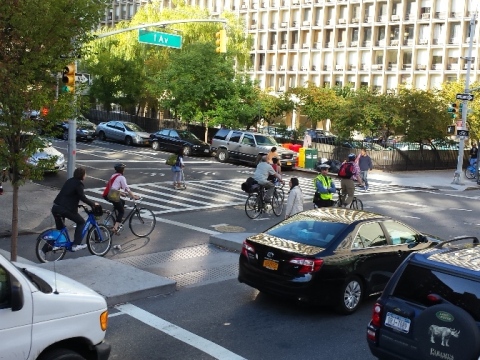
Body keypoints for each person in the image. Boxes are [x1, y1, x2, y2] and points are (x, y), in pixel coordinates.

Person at [51, 167, 98, 251]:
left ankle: (47, 248)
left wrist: (76, 204)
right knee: (81, 222)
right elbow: (83, 197)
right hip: (65, 209)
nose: (86, 175)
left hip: (56, 207)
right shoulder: (78, 184)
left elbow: (68, 195)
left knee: (60, 229)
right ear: (82, 175)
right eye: (85, 174)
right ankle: (76, 245)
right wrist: (93, 204)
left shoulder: (69, 181)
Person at [106, 163, 140, 234]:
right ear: (122, 170)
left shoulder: (114, 175)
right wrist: (133, 196)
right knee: (121, 211)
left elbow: (113, 186)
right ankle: (115, 228)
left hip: (110, 194)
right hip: (114, 195)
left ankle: (118, 220)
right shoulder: (121, 177)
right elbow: (126, 188)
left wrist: (121, 193)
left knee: (122, 202)